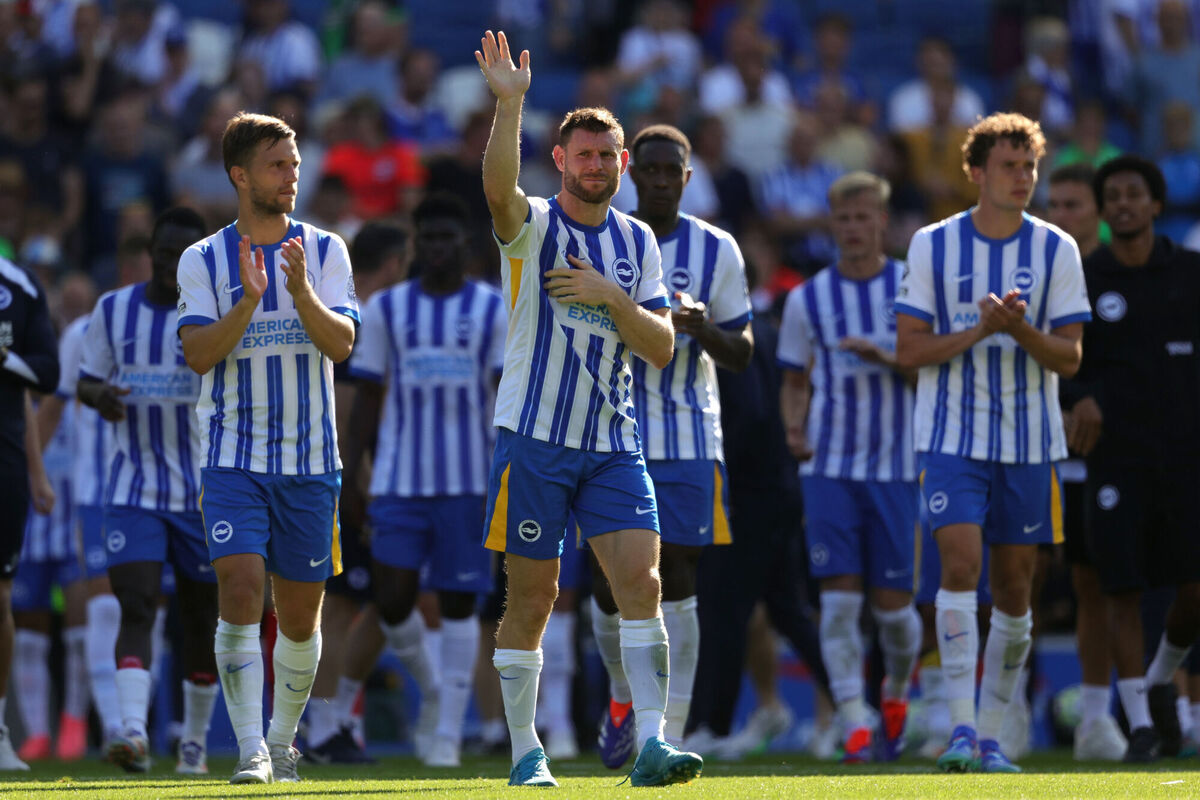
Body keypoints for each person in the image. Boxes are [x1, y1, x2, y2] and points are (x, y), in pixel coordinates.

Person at [474, 30, 702, 787]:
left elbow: (663, 345)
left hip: (612, 441)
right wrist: (510, 107)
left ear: (622, 164)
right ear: (562, 162)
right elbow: (498, 193)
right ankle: (525, 752)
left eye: (608, 155)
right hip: (535, 438)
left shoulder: (638, 242)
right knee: (533, 598)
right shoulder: (535, 226)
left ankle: (650, 745)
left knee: (644, 585)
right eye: (584, 155)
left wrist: (610, 296)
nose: (597, 165)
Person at [895, 113, 1090, 773]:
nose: (1022, 178)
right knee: (959, 568)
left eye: (1029, 166)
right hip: (952, 435)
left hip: (1031, 441)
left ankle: (999, 731)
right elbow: (909, 349)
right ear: (976, 172)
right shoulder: (933, 245)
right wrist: (980, 332)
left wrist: (1017, 329)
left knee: (1015, 586)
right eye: (1009, 166)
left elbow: (1069, 358)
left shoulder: (1057, 248)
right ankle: (960, 728)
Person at [176, 112, 359, 784]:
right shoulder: (202, 260)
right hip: (234, 459)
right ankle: (250, 746)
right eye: (278, 165)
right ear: (240, 174)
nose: (292, 176)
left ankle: (282, 740)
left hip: (312, 463)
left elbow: (342, 345)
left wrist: (300, 290)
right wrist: (248, 305)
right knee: (241, 584)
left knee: (302, 618)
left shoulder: (326, 249)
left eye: (295, 164)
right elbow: (198, 355)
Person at [590, 123, 753, 769]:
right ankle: (622, 694)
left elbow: (741, 354)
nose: (659, 181)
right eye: (649, 170)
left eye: (671, 172)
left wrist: (701, 327)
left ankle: (668, 730)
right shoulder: (605, 240)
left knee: (677, 572)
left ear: (688, 177)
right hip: (611, 429)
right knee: (610, 585)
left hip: (689, 432)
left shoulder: (719, 249)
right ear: (633, 173)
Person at [340, 193, 507, 767]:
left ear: (465, 246)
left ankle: (444, 736)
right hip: (396, 479)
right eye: (427, 239)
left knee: (460, 605)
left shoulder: (492, 308)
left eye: (447, 238)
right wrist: (349, 473)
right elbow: (367, 396)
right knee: (391, 600)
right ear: (416, 247)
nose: (437, 248)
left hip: (467, 482)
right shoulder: (387, 310)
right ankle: (437, 692)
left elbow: (505, 398)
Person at [778, 171, 922, 762]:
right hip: (830, 469)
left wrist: (888, 356)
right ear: (831, 224)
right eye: (843, 219)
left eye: (864, 218)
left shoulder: (913, 286)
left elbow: (932, 370)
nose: (853, 228)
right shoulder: (807, 298)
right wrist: (793, 425)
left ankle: (893, 690)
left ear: (882, 222)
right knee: (836, 602)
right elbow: (793, 378)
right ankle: (853, 715)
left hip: (895, 468)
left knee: (895, 615)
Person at [1062, 155, 1200, 762]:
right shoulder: (1084, 278)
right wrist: (1080, 397)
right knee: (1118, 590)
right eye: (1112, 195)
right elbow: (1060, 361)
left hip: (1186, 458)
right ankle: (1141, 724)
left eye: (1133, 194)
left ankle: (1165, 675)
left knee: (1194, 592)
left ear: (1155, 205)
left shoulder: (1191, 272)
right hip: (1114, 462)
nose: (1122, 203)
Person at [77, 207, 219, 774]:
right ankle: (132, 732)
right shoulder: (113, 310)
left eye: (181, 256)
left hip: (202, 495)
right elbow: (86, 379)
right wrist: (99, 398)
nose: (168, 264)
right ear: (151, 253)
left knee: (200, 620)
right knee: (134, 604)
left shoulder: (215, 318)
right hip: (133, 488)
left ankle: (194, 743)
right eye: (162, 253)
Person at [305, 221, 407, 765]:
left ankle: (335, 718)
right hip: (348, 482)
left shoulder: (357, 313)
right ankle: (323, 727)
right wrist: (358, 486)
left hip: (365, 480)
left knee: (385, 605)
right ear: (393, 264)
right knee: (342, 608)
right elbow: (347, 411)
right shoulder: (359, 317)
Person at [1046, 164, 1127, 762]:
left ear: (1096, 212)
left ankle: (1109, 713)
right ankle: (1012, 708)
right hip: (1045, 450)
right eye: (1055, 205)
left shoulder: (1121, 277)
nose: (1062, 216)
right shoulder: (1040, 277)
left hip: (1117, 456)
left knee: (1107, 584)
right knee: (1019, 581)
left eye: (1074, 205)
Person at [0, 254, 60, 771]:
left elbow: (44, 375)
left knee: (0, 595)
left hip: (4, 460)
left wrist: (37, 472)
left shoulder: (17, 286)